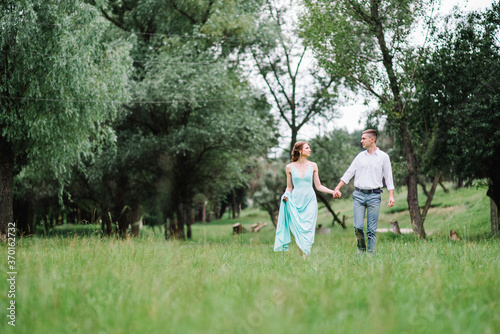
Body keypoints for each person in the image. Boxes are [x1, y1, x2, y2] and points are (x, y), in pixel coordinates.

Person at [333, 129, 395, 254]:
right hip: (359, 195)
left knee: (371, 230)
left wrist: (391, 195)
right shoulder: (360, 157)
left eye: (363, 139)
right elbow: (349, 172)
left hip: (374, 196)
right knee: (358, 227)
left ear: (372, 140)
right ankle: (361, 250)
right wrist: (337, 187)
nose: (361, 141)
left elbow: (389, 177)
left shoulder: (383, 157)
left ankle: (370, 255)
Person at [274, 141, 336, 258]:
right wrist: (286, 195)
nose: (310, 150)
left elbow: (318, 186)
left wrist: (332, 191)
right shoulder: (289, 167)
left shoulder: (313, 166)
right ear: (300, 151)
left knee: (308, 228)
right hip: (296, 201)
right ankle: (302, 255)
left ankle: (305, 256)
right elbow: (289, 187)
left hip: (310, 201)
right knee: (299, 229)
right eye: (307, 148)